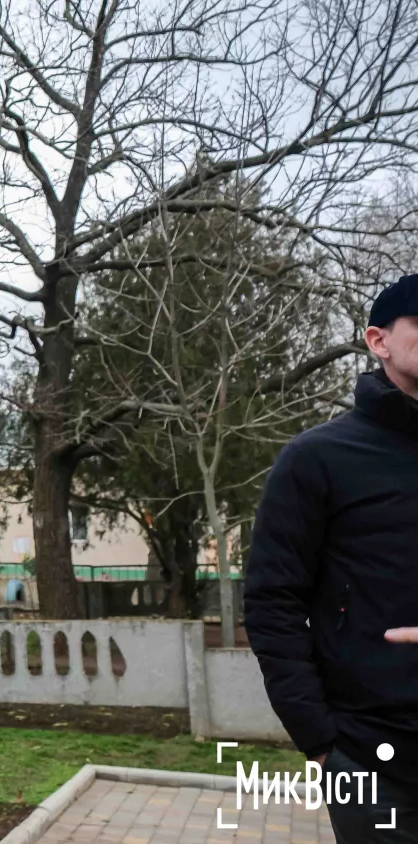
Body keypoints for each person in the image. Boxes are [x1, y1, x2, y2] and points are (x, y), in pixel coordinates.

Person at [246, 273, 418, 842]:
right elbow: (272, 600)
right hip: (374, 752)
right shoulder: (317, 459)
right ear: (378, 340)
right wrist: (320, 740)